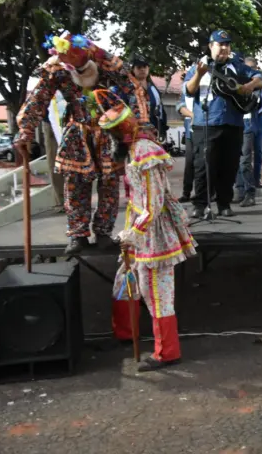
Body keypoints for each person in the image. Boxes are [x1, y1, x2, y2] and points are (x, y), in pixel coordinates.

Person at [14, 32, 150, 255]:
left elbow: (133, 90)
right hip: (76, 130)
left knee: (109, 184)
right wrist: (26, 129)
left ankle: (104, 233)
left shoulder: (108, 63)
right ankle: (78, 235)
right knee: (75, 184)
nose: (78, 71)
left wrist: (141, 125)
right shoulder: (56, 67)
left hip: (109, 130)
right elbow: (39, 97)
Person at [99, 105, 197, 372]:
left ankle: (167, 352)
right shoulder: (131, 151)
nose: (110, 137)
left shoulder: (144, 151)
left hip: (153, 232)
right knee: (125, 279)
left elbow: (153, 204)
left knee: (156, 292)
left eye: (112, 131)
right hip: (138, 226)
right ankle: (124, 335)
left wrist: (134, 233)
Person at [183, 30, 262, 218]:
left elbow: (260, 78)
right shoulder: (198, 65)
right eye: (221, 44)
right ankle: (201, 204)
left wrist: (249, 86)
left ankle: (224, 204)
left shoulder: (237, 66)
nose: (225, 48)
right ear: (211, 46)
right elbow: (188, 91)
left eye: (227, 44)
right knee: (203, 167)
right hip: (206, 124)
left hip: (233, 123)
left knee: (229, 166)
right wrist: (198, 74)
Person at [233, 56, 262, 207]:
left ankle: (249, 193)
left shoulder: (255, 85)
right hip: (234, 123)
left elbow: (254, 102)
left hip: (247, 124)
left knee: (245, 161)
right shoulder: (234, 78)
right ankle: (239, 191)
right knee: (235, 160)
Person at [130, 54, 168, 141]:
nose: (142, 69)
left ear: (148, 69)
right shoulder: (128, 88)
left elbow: (161, 110)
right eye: (139, 67)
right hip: (135, 133)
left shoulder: (153, 89)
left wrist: (162, 129)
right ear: (133, 70)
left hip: (154, 132)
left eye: (145, 66)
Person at [176, 87, 195, 203]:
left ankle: (205, 193)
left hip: (206, 132)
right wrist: (193, 115)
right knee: (189, 164)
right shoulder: (187, 90)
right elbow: (179, 106)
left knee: (204, 164)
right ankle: (186, 193)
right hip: (190, 133)